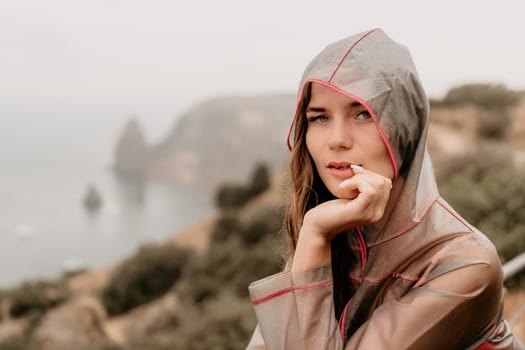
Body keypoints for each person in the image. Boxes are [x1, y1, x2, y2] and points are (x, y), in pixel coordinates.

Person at [246, 28, 524, 349]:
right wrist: (314, 237)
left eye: (363, 114)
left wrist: (315, 234)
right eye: (319, 118)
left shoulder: (466, 262)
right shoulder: (329, 230)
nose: (337, 139)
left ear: (405, 128)